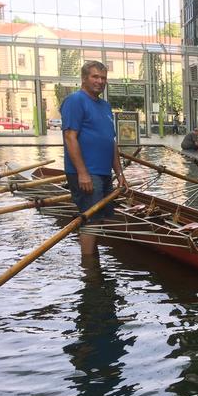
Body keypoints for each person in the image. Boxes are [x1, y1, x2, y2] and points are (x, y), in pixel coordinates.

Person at [61, 60, 128, 256]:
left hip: (102, 172)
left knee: (98, 218)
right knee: (90, 219)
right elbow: (70, 137)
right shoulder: (75, 100)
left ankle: (93, 255)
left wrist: (119, 173)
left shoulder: (105, 106)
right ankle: (89, 267)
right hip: (86, 172)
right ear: (84, 78)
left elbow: (111, 142)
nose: (100, 81)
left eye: (103, 78)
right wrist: (82, 173)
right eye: (95, 77)